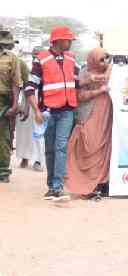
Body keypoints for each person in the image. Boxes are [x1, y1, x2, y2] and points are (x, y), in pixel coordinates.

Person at [25, 26, 81, 201]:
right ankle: (51, 186)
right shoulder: (40, 60)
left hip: (67, 111)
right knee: (50, 150)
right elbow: (29, 88)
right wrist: (36, 111)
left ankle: (57, 186)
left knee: (60, 147)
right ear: (57, 41)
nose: (71, 43)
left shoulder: (72, 60)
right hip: (48, 112)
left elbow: (78, 84)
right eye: (68, 40)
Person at [65, 47, 113, 200]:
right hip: (89, 116)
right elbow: (79, 96)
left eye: (107, 58)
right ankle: (86, 185)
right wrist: (99, 91)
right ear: (92, 59)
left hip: (107, 117)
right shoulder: (85, 74)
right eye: (101, 59)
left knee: (105, 149)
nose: (104, 62)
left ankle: (101, 184)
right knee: (90, 147)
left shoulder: (112, 74)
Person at [16, 48, 44, 172]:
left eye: (38, 55)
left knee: (38, 132)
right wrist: (24, 106)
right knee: (24, 132)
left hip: (40, 102)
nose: (36, 57)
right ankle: (25, 158)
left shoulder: (44, 65)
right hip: (26, 100)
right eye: (34, 55)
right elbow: (21, 85)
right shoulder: (26, 66)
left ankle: (38, 160)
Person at [0, 30, 23, 184]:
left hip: (4, 101)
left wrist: (15, 105)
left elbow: (16, 82)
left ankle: (3, 171)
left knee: (4, 138)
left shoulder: (12, 59)